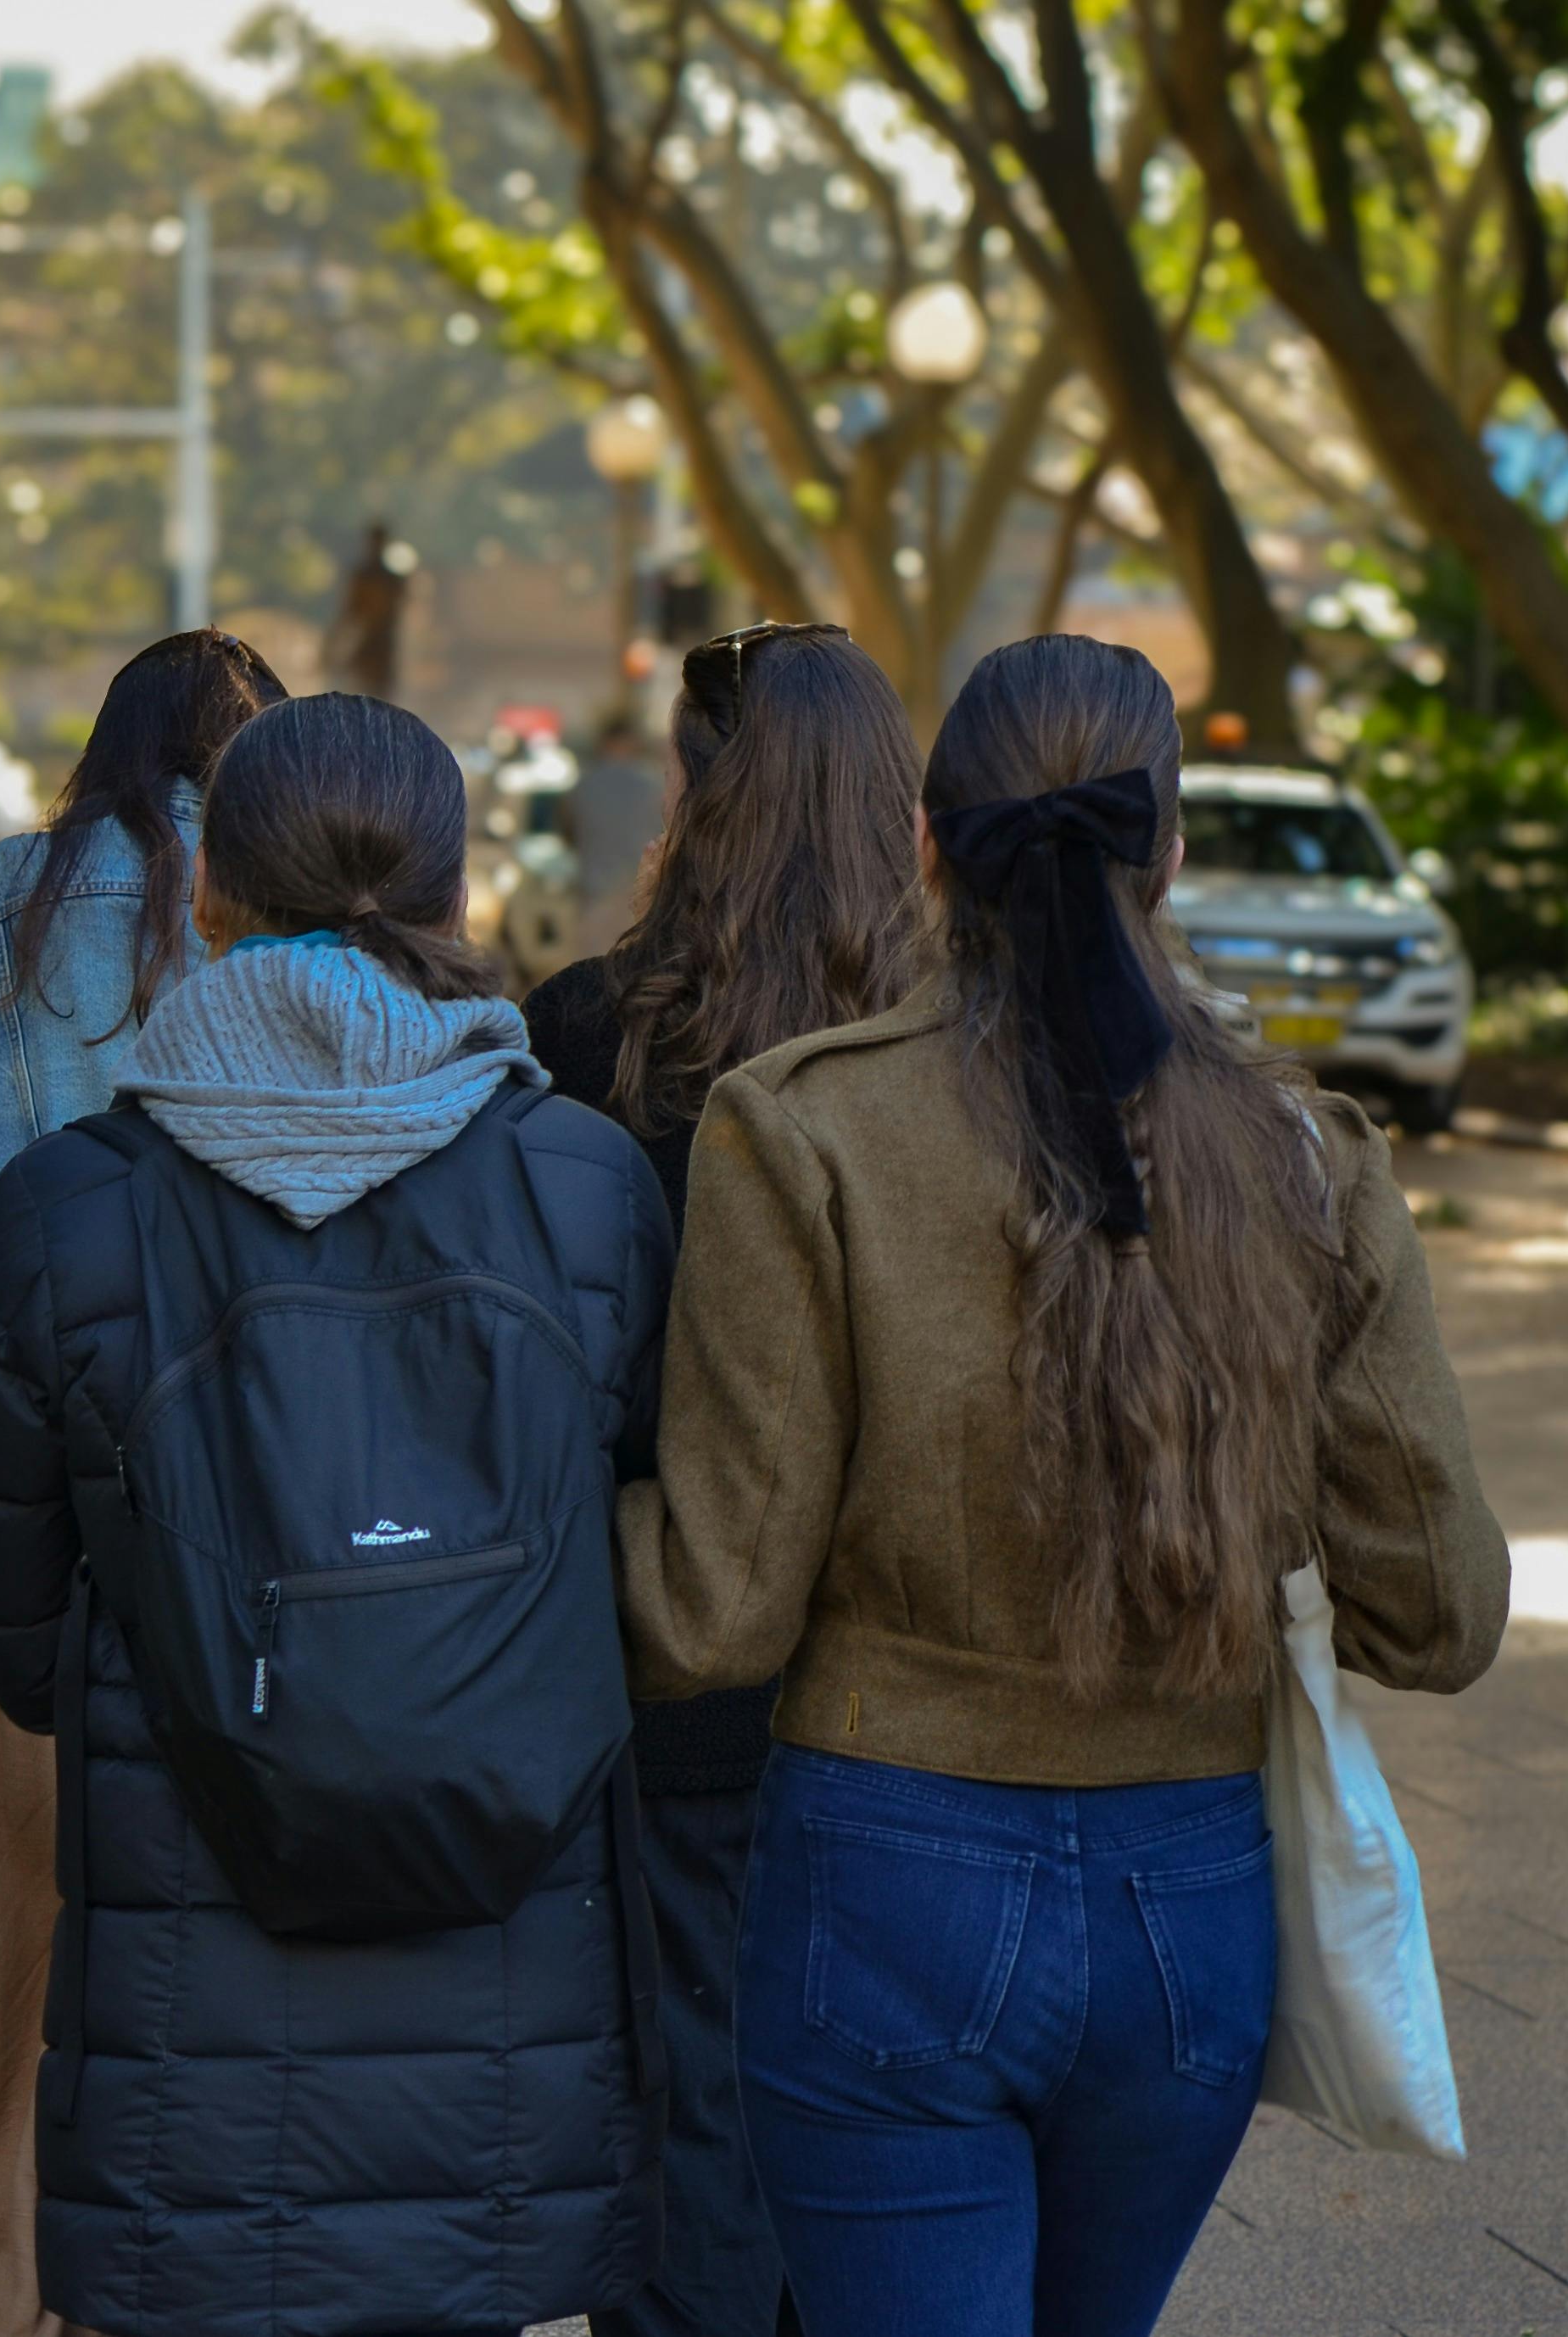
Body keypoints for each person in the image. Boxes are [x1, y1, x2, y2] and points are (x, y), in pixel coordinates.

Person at [617, 634, 1509, 2337]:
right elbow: (1439, 1613)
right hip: (1191, 1904)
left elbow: (715, 1614)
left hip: (884, 1880)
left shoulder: (799, 1131)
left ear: (932, 848)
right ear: (1166, 851)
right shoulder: (1307, 1157)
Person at [0, 691, 673, 2337]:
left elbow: (16, 1613)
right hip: (502, 1962)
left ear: (210, 893)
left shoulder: (70, 1207)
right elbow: (626, 1507)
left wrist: (200, 1687)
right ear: (451, 892)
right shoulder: (585, 1183)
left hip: (187, 1935)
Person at [0, 628, 289, 2337]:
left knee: (11, 1981)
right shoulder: (296, 912)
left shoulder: (11, 890)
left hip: (32, 1507)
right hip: (266, 1527)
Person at [518, 621, 926, 2337]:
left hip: (672, 1658)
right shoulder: (945, 1040)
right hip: (910, 1676)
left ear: (692, 790)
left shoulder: (591, 1033)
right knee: (889, 2116)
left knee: (684, 2099)